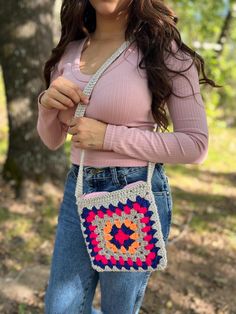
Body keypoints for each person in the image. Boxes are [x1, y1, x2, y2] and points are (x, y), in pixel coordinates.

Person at [37, 1, 217, 313]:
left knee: (118, 309)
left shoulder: (163, 49)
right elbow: (53, 140)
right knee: (60, 308)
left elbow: (195, 144)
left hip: (132, 193)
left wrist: (108, 137)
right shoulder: (69, 52)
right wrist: (45, 105)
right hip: (78, 189)